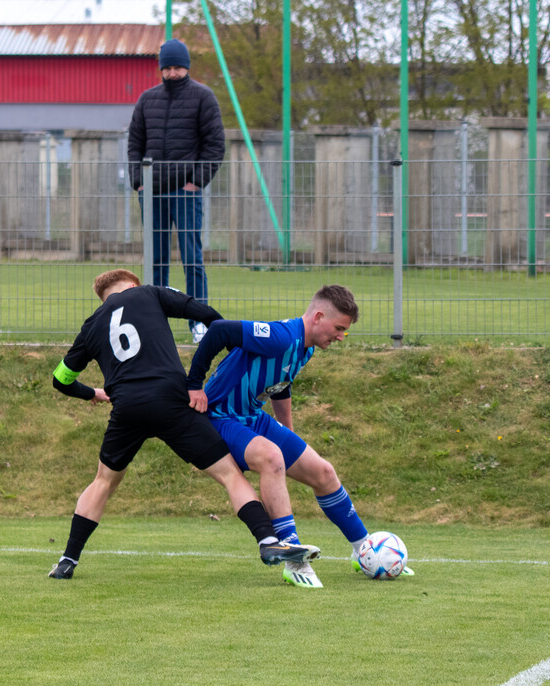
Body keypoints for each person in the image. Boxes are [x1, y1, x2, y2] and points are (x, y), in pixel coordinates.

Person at [47, 269, 317, 579]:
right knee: (229, 474)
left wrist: (93, 393)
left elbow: (60, 380)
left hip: (127, 408)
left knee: (104, 481)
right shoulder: (150, 293)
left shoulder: (91, 326)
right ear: (133, 284)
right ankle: (268, 541)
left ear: (103, 297)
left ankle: (68, 560)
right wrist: (231, 354)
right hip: (172, 402)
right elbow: (206, 316)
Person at [187, 285, 411, 589]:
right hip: (221, 417)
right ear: (318, 316)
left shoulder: (305, 348)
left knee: (324, 472)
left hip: (253, 417)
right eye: (339, 328)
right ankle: (292, 559)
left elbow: (281, 385)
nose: (342, 336)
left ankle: (364, 551)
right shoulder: (281, 336)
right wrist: (193, 384)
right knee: (271, 458)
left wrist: (288, 431)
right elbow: (219, 331)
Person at [127, 38, 225, 344]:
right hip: (151, 193)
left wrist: (195, 182)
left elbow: (215, 146)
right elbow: (134, 143)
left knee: (191, 257)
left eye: (177, 67)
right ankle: (156, 321)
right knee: (155, 260)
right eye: (167, 67)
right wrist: (138, 181)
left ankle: (199, 322)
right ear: (160, 68)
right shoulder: (146, 100)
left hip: (186, 193)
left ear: (187, 67)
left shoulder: (203, 98)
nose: (172, 73)